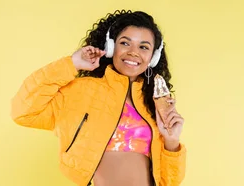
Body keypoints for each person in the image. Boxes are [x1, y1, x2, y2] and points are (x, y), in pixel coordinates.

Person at [10, 10, 186, 186]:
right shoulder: (79, 92)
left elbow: (169, 182)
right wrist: (72, 63)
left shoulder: (156, 103)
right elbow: (24, 112)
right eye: (125, 43)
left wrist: (172, 142)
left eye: (144, 47)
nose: (133, 52)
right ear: (111, 48)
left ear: (153, 57)